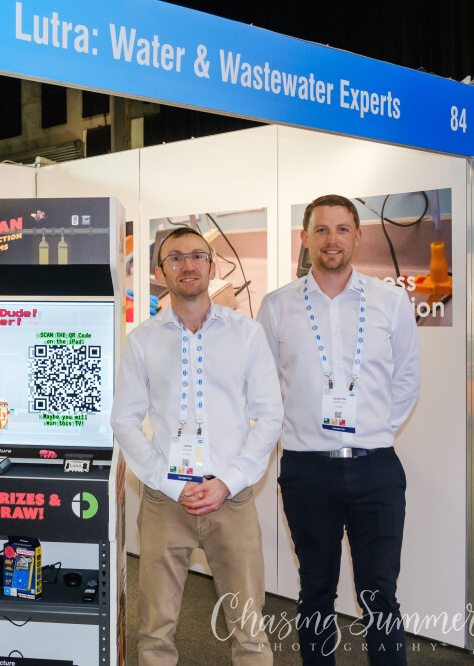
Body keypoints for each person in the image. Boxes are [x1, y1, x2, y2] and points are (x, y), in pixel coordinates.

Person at [257, 194, 420, 665]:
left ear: (358, 236)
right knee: (315, 591)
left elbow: (407, 379)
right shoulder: (277, 306)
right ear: (305, 238)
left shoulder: (390, 301)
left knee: (380, 595)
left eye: (342, 229)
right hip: (307, 472)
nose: (332, 239)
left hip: (376, 470)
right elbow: (266, 387)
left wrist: (371, 431)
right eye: (322, 230)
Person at [111, 226, 283, 666]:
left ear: (211, 265)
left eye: (197, 256)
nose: (187, 265)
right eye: (175, 258)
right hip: (165, 502)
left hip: (232, 499)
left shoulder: (247, 334)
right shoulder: (142, 341)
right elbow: (124, 420)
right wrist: (170, 483)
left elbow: (270, 416)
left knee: (250, 631)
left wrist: (228, 482)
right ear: (159, 272)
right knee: (155, 632)